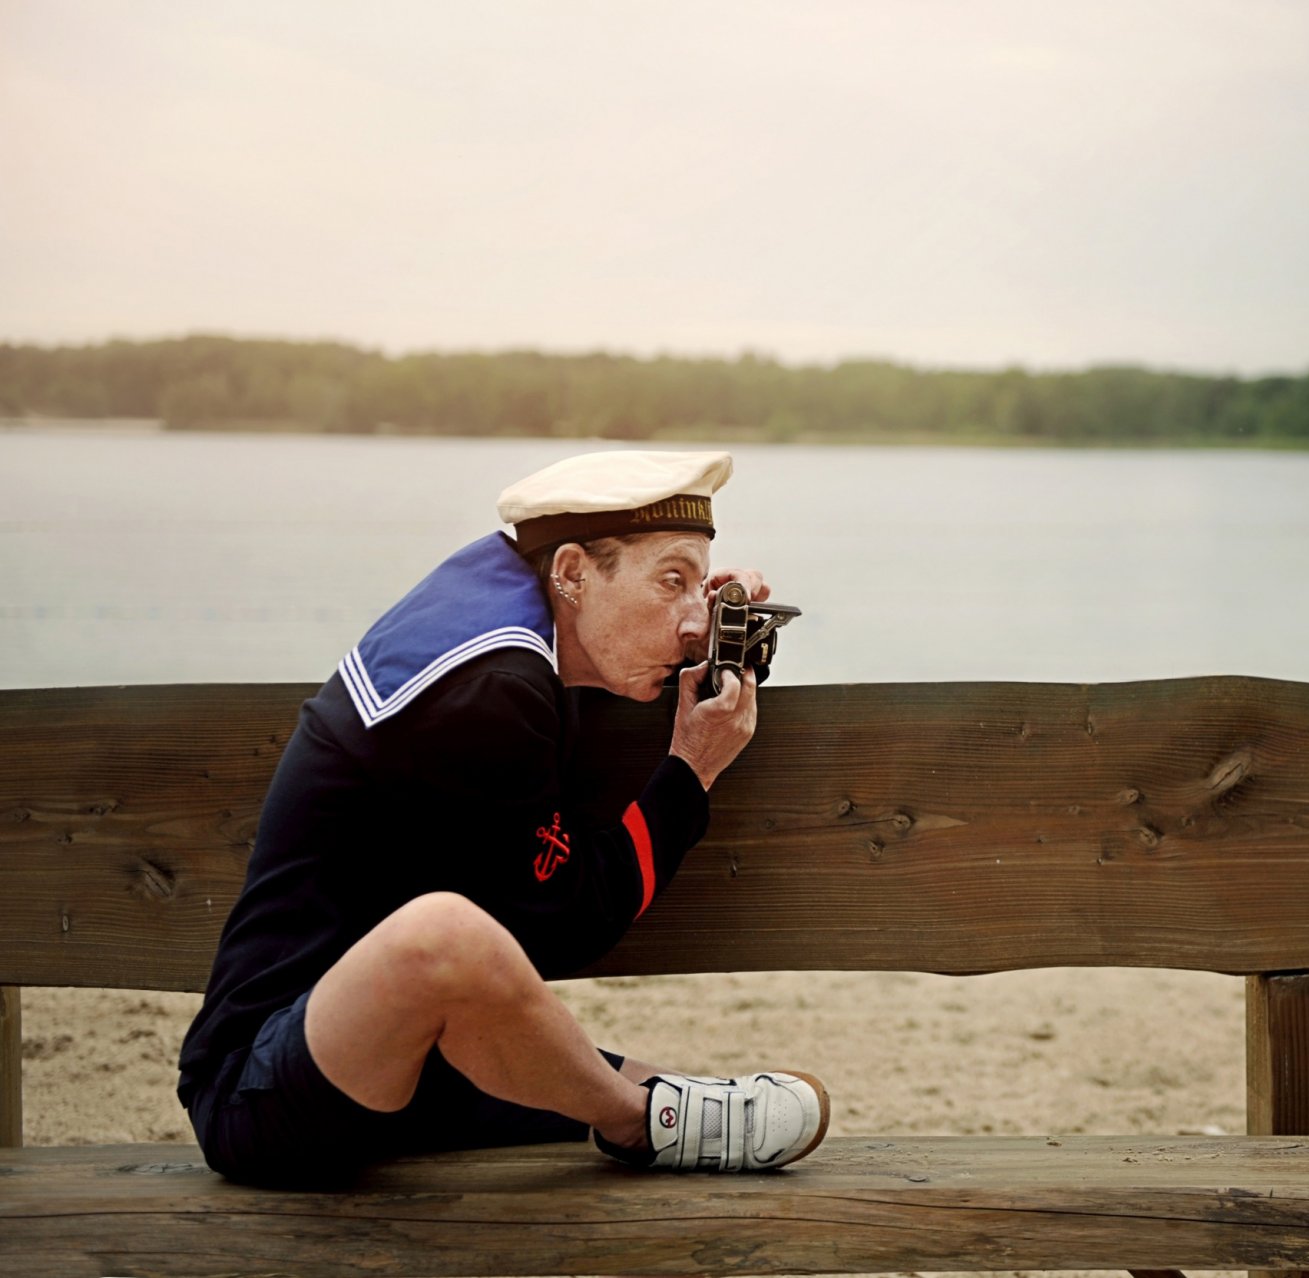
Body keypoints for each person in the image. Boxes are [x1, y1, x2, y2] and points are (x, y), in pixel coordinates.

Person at [176, 450, 829, 1187]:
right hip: (269, 1084)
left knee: (664, 1084)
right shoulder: (490, 687)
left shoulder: (509, 591)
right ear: (575, 572)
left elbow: (589, 682)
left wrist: (714, 645)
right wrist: (692, 768)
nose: (690, 618)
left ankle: (649, 1112)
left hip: (419, 1060)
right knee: (443, 935)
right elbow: (564, 923)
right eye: (672, 581)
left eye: (699, 585)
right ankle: (635, 1121)